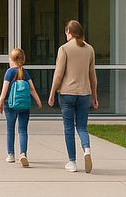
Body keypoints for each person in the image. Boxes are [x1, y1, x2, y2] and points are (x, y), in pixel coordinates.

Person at [47, 20, 98, 173]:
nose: (66, 35)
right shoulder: (89, 49)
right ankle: (87, 149)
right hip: (84, 94)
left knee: (69, 128)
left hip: (67, 94)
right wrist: (94, 95)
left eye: (66, 32)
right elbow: (92, 75)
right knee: (82, 126)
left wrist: (51, 94)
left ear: (69, 31)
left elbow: (58, 74)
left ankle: (72, 162)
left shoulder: (64, 49)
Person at [0, 48, 42, 168]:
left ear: (12, 59)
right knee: (23, 129)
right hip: (24, 105)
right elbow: (31, 89)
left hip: (10, 105)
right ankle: (23, 154)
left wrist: (0, 103)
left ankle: (11, 155)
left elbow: (4, 90)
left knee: (10, 129)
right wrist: (38, 100)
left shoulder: (9, 72)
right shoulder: (24, 72)